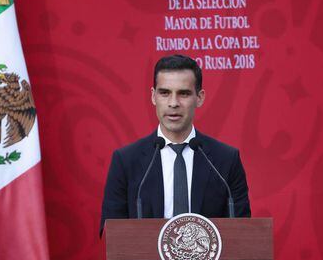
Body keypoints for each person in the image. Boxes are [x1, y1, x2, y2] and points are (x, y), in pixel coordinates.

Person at [100, 54, 250, 234]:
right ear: (153, 96)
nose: (173, 103)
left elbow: (242, 232)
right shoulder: (125, 161)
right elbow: (112, 232)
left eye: (184, 94)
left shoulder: (225, 160)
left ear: (199, 98)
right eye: (164, 93)